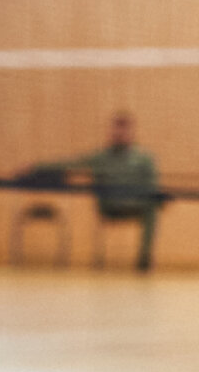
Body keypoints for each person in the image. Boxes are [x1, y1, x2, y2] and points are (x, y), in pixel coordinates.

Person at [68, 109, 161, 269]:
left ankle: (144, 259)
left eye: (125, 129)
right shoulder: (101, 157)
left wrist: (158, 197)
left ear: (132, 132)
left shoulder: (144, 158)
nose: (120, 133)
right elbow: (70, 163)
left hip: (135, 204)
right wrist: (39, 167)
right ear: (111, 131)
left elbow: (152, 184)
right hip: (109, 206)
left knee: (151, 207)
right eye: (117, 128)